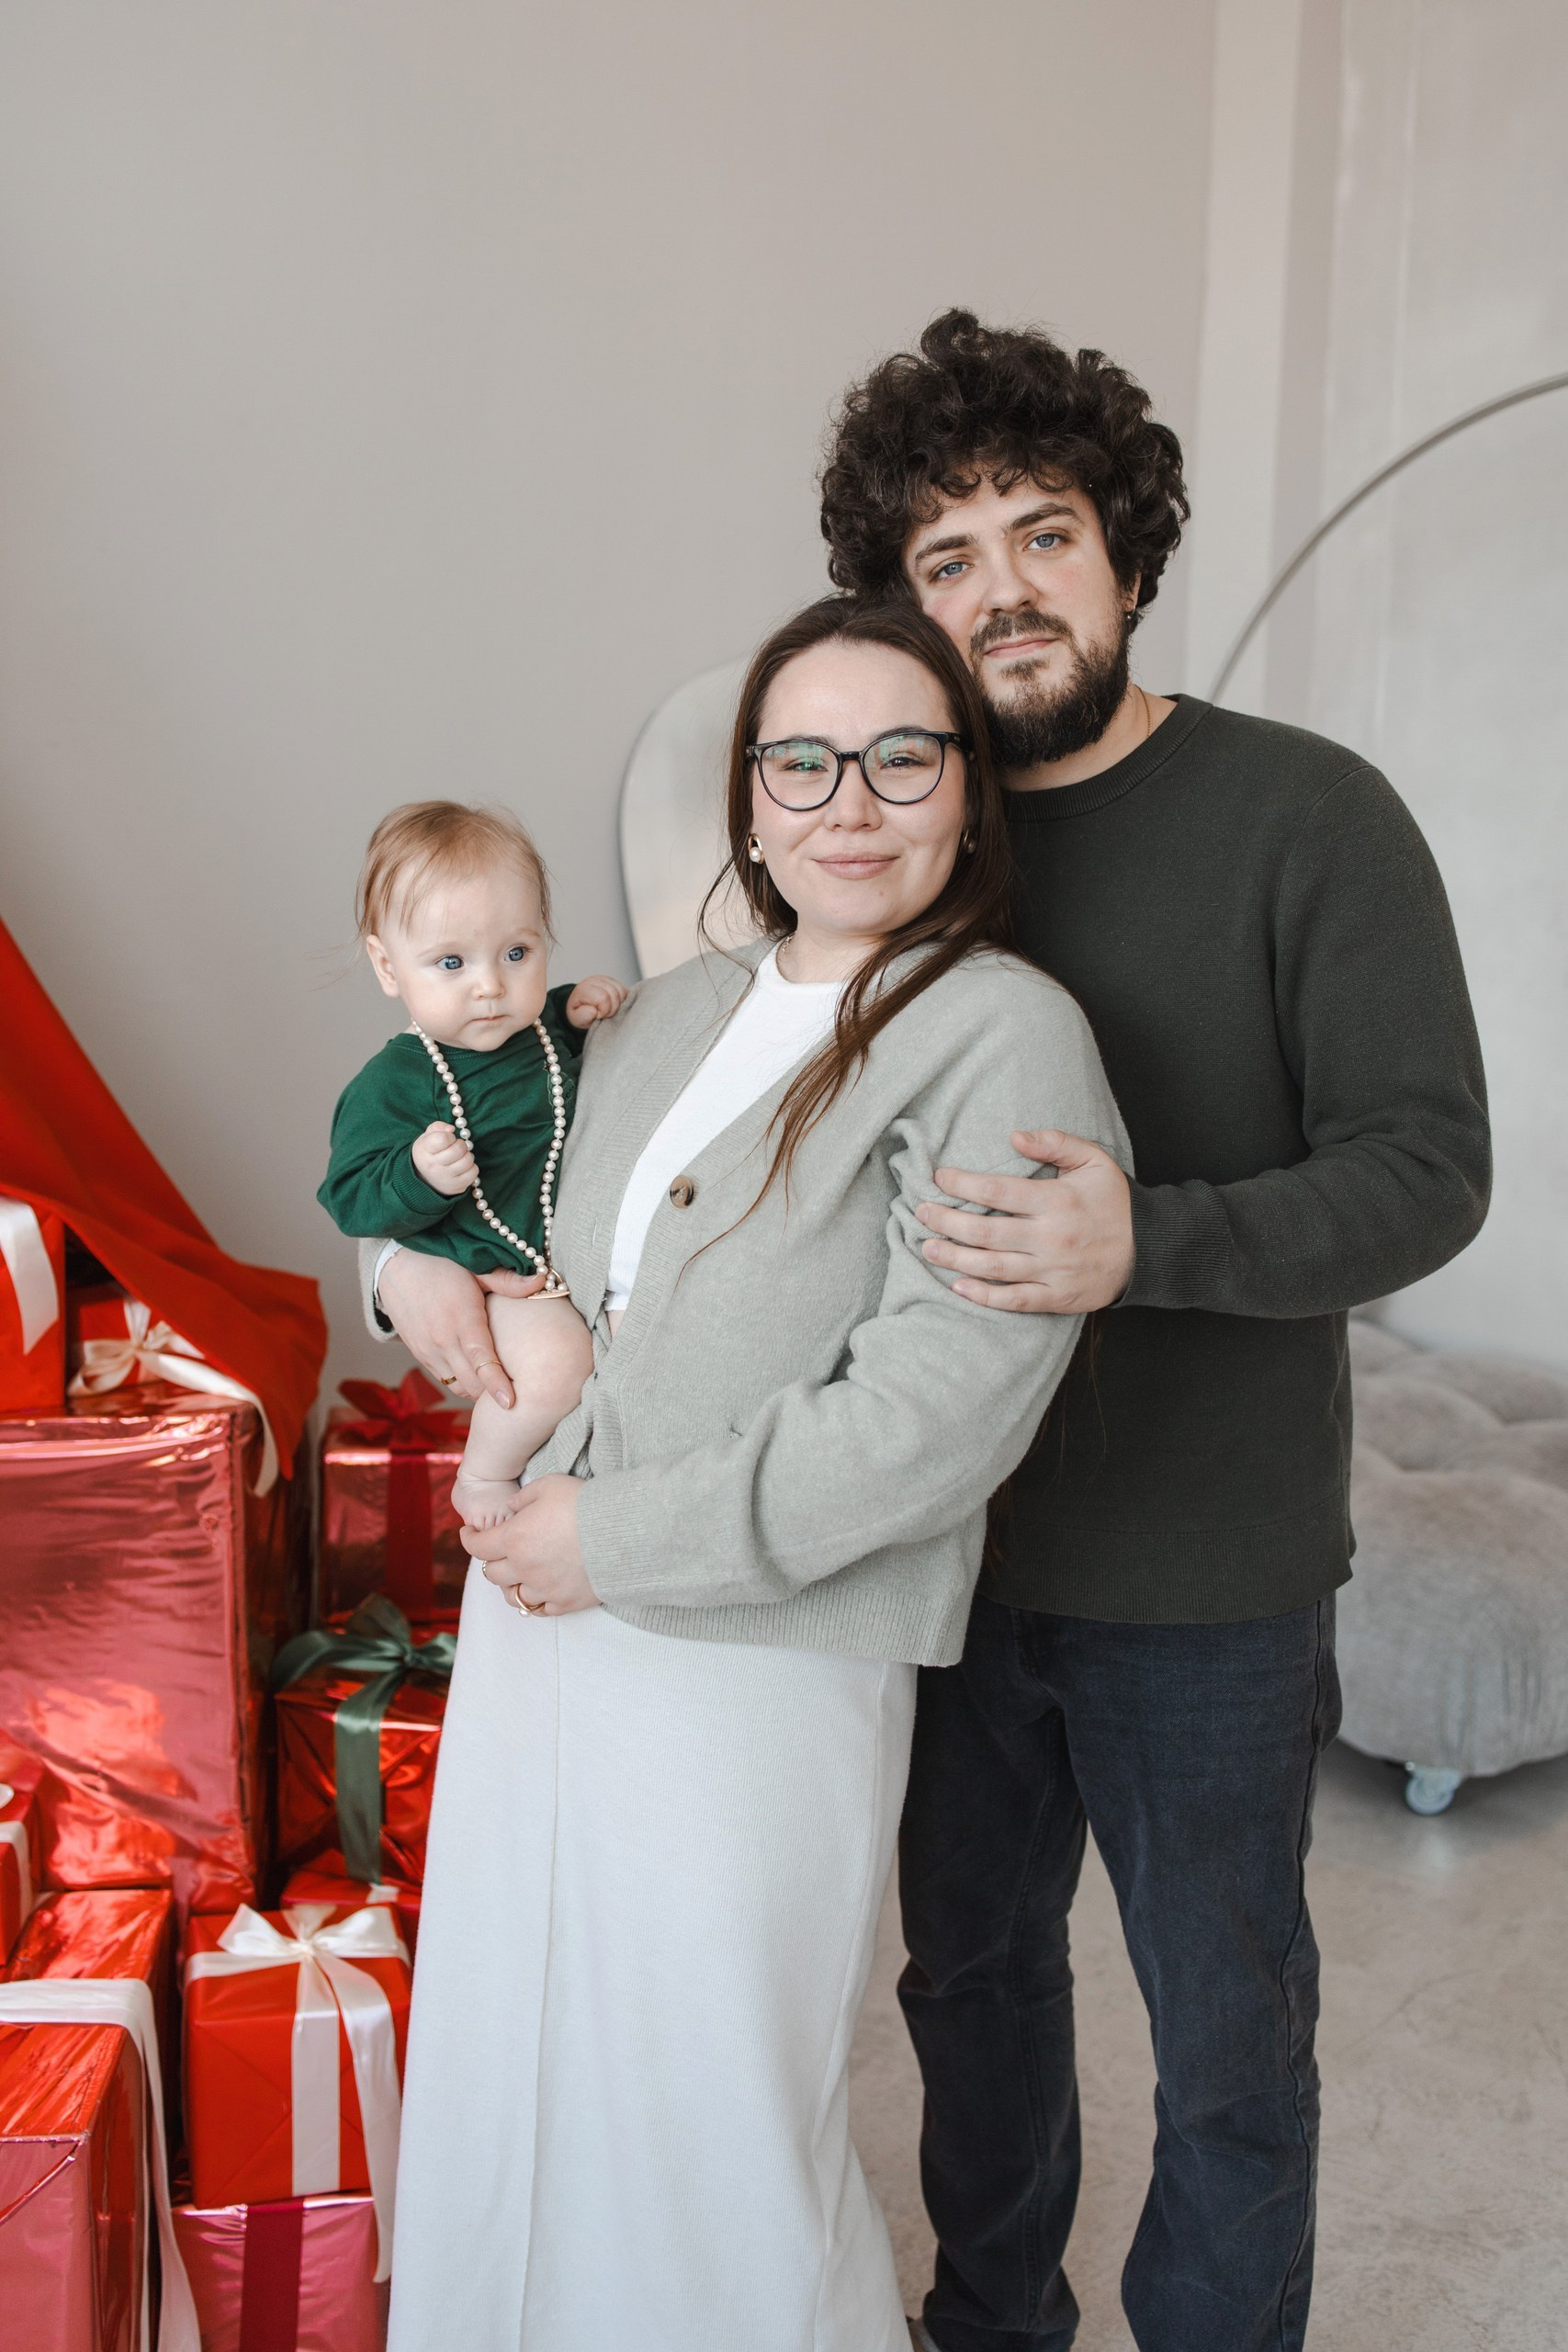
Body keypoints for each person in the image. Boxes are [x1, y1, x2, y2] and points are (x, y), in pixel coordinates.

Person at [817, 311, 1492, 2352]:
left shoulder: (1309, 814)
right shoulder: (907, 839)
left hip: (1209, 1578)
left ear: (1123, 552)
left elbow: (1424, 1169)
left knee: (1223, 2040)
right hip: (943, 1549)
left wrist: (1150, 1241)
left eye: (1043, 532)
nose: (1003, 590)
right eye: (946, 558)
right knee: (967, 1984)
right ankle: (989, 2321)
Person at [368, 596, 1130, 2352]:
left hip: (753, 1652)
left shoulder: (999, 1031)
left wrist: (616, 1536)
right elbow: (459, 1173)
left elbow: (936, 1412)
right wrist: (398, 1273)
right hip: (542, 1625)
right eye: (801, 761)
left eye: (900, 757)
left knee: (709, 2104)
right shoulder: (650, 1014)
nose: (846, 801)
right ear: (751, 798)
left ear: (965, 792)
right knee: (515, 2056)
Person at [318, 800, 625, 1526]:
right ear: (389, 967)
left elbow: (558, 1058)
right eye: (451, 963)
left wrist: (574, 1008)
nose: (490, 986)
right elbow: (348, 1196)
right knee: (555, 1369)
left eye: (516, 954)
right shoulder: (397, 1081)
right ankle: (483, 1474)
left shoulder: (541, 1030)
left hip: (566, 1261)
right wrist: (418, 1178)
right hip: (493, 1271)